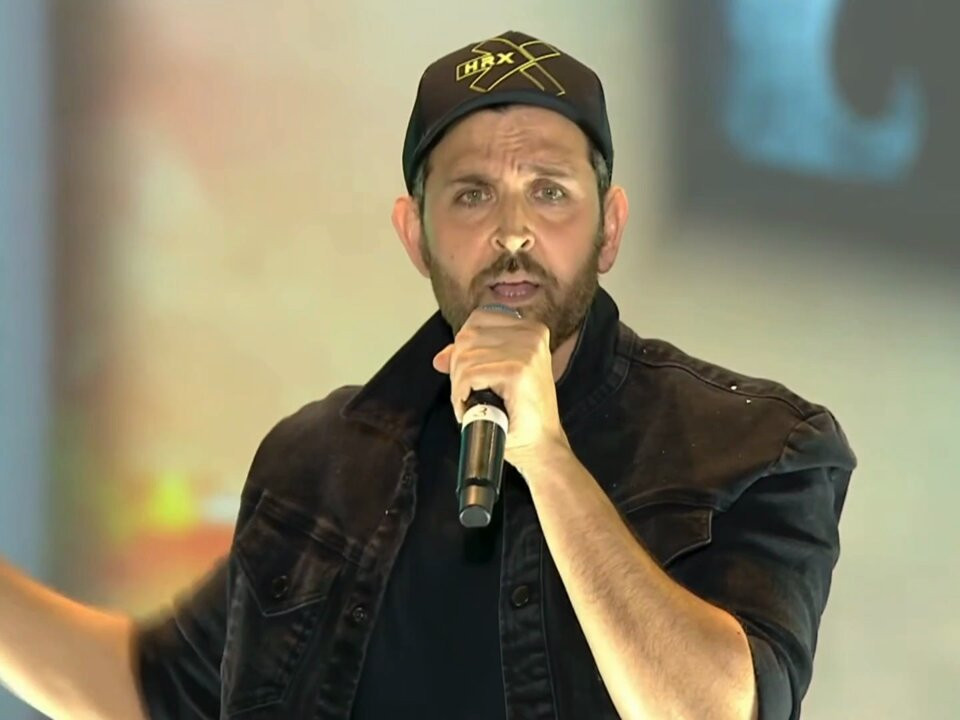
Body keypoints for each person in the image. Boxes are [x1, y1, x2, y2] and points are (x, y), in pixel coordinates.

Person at [0, 30, 855, 720]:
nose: (513, 232)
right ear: (415, 235)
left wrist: (548, 460)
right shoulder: (318, 462)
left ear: (610, 228)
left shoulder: (757, 446)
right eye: (473, 194)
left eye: (550, 192)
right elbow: (155, 697)